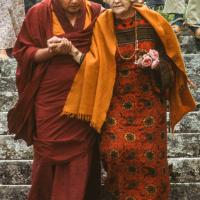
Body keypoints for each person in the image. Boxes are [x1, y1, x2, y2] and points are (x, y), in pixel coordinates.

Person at [61, 0, 196, 199]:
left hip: (149, 103)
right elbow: (95, 65)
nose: (115, 1)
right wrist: (72, 51)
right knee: (113, 152)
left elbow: (172, 64)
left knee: (149, 160)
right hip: (114, 100)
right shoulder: (103, 23)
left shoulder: (154, 21)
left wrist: (156, 64)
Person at [7, 0, 103, 199]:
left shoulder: (96, 12)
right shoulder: (39, 12)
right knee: (48, 148)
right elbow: (23, 53)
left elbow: (105, 54)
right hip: (49, 97)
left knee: (82, 154)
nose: (74, 1)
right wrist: (51, 51)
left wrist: (73, 51)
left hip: (85, 97)